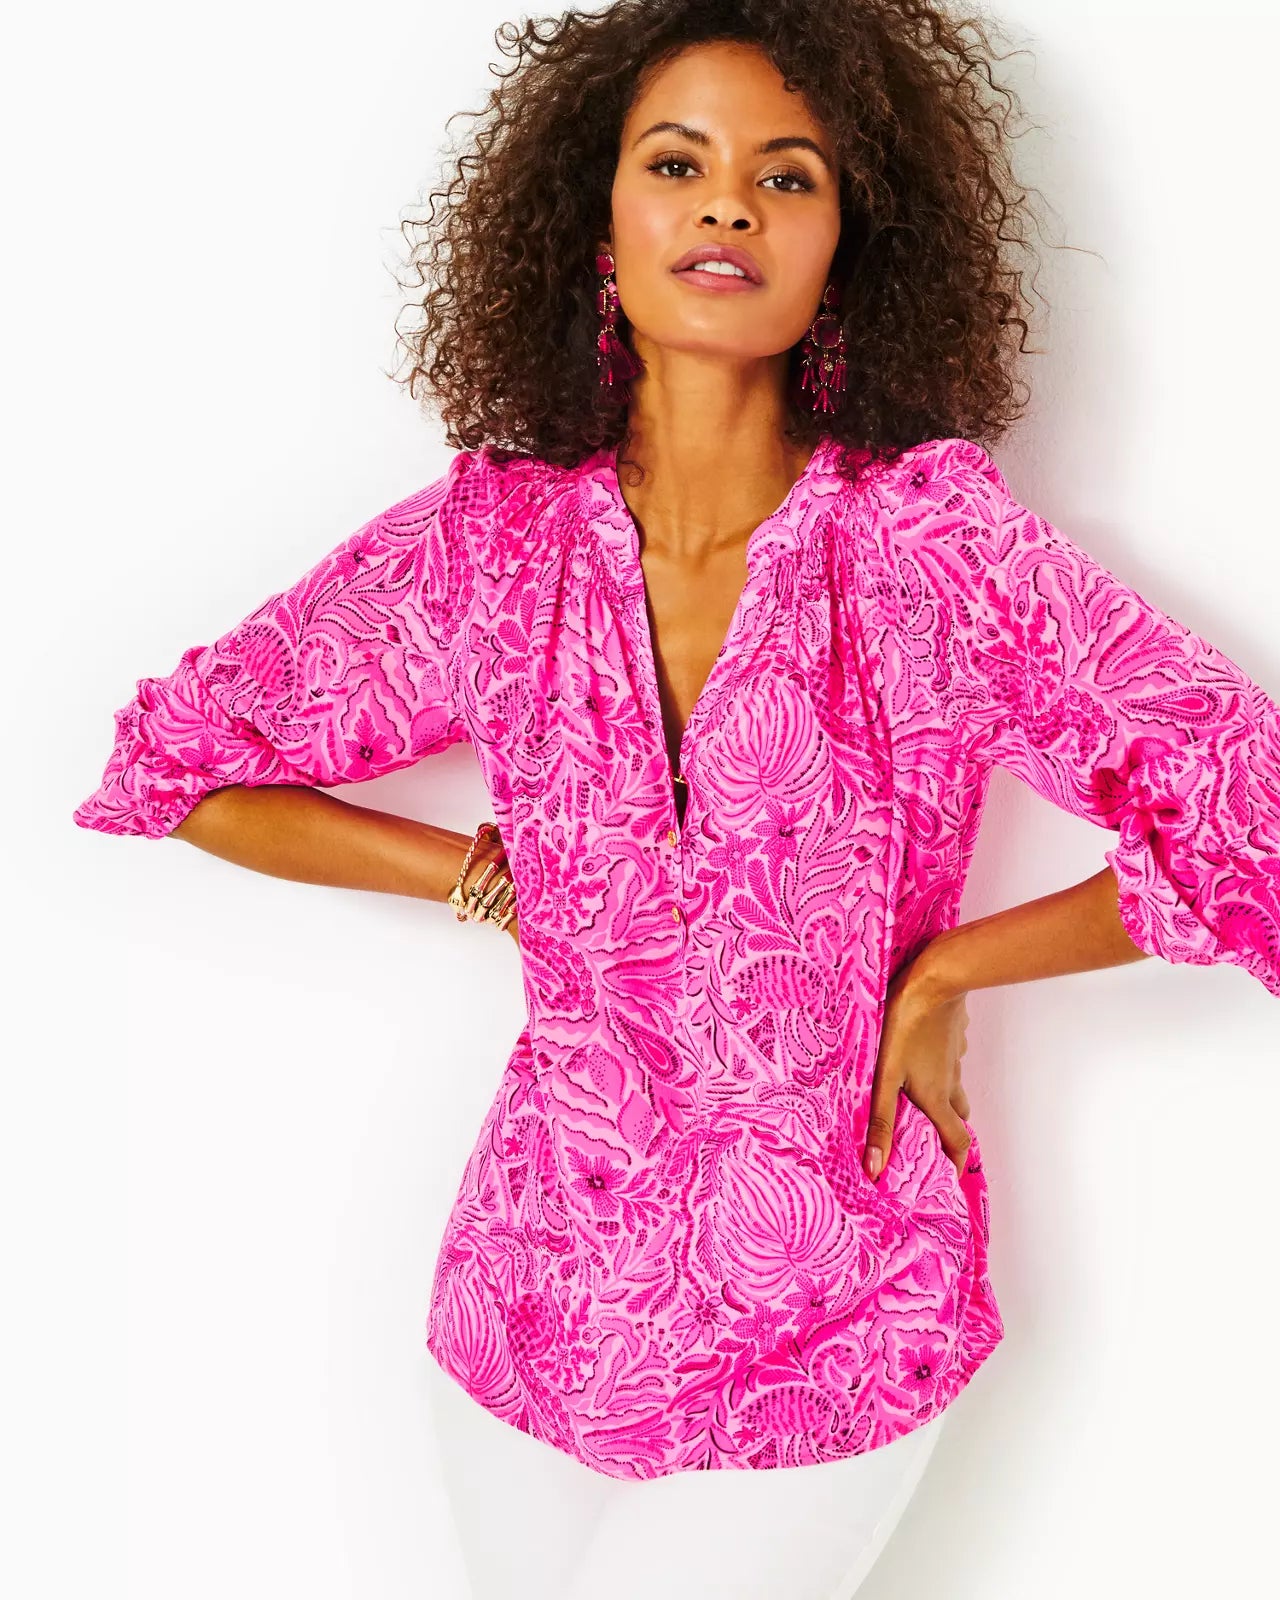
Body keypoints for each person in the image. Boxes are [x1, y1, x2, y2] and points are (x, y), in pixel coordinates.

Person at [71, 2, 1280, 1596]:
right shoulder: (490, 550)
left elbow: (1248, 802)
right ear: (598, 226)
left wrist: (947, 971)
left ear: (847, 251)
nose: (728, 206)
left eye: (787, 177)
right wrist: (472, 872)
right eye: (676, 163)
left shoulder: (933, 554)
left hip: (836, 1317)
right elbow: (179, 767)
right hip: (532, 1306)